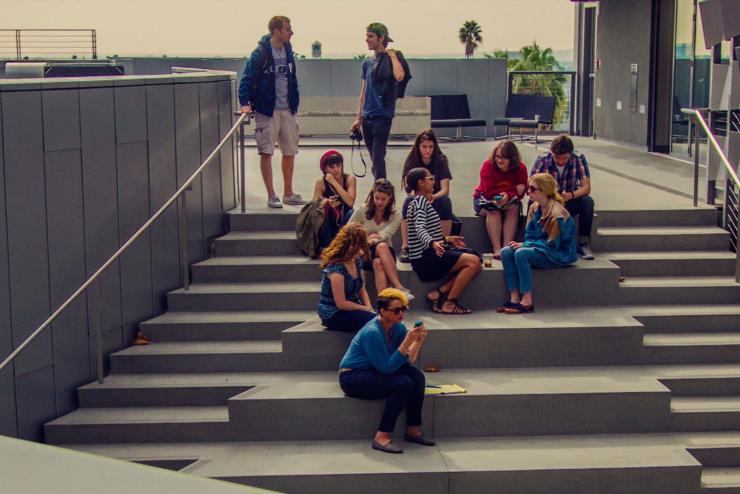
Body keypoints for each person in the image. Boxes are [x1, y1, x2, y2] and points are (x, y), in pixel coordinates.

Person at [338, 288, 434, 454]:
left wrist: (418, 341)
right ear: (383, 311)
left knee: (417, 376)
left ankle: (413, 429)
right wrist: (407, 342)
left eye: (403, 309)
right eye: (396, 310)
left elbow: (408, 360)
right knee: (402, 384)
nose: (401, 313)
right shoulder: (372, 332)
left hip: (376, 371)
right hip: (353, 377)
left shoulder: (397, 327)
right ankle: (381, 436)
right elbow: (386, 368)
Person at [238, 15, 307, 209]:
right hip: (267, 110)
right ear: (276, 31)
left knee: (290, 150)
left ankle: (288, 193)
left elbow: (291, 79)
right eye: (287, 29)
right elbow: (247, 78)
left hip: (288, 109)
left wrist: (294, 101)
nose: (291, 32)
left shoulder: (288, 50)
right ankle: (271, 194)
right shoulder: (261, 53)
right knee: (266, 152)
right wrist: (245, 102)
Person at [498, 173, 578, 314]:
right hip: (540, 248)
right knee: (506, 251)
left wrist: (526, 245)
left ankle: (527, 300)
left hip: (557, 254)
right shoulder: (535, 207)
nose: (529, 192)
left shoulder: (557, 215)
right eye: (529, 188)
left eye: (533, 189)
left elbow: (553, 244)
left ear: (545, 191)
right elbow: (529, 234)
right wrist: (526, 244)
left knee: (522, 253)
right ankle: (514, 298)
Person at [406, 167, 481, 315]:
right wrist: (433, 243)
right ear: (421, 183)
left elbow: (424, 230)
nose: (434, 182)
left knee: (476, 261)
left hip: (429, 254)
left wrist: (447, 239)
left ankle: (438, 293)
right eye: (430, 179)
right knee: (473, 262)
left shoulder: (419, 202)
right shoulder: (420, 201)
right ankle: (449, 302)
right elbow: (419, 228)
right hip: (425, 259)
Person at [350, 23, 410, 180]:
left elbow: (399, 76)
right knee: (374, 159)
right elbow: (363, 92)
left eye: (370, 36)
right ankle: (379, 188)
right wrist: (358, 117)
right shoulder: (367, 63)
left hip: (382, 116)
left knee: (378, 157)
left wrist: (392, 55)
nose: (367, 40)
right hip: (367, 117)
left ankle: (382, 190)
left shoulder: (391, 59)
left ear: (381, 38)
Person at [530, 134, 595, 259]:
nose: (560, 161)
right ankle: (535, 239)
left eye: (564, 158)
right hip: (547, 201)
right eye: (557, 158)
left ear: (570, 154)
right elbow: (532, 185)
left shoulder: (578, 159)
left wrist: (571, 195)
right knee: (532, 204)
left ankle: (583, 244)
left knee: (587, 202)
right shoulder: (542, 160)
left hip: (568, 200)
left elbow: (586, 187)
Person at [349, 179, 413, 300]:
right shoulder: (363, 209)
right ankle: (398, 287)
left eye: (383, 199)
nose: (379, 202)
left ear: (390, 198)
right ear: (372, 195)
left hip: (385, 254)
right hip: (363, 251)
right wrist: (363, 243)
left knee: (379, 260)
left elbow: (384, 234)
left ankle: (383, 303)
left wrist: (374, 238)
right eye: (377, 198)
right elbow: (348, 229)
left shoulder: (396, 215)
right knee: (381, 246)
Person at [400, 129, 454, 262]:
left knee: (445, 202)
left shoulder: (440, 160)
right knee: (408, 201)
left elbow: (445, 189)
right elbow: (409, 188)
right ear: (418, 146)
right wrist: (419, 199)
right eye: (424, 147)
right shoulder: (412, 160)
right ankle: (406, 247)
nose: (427, 150)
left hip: (434, 197)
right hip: (418, 198)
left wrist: (434, 197)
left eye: (431, 147)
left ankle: (443, 243)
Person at [473, 140, 528, 259]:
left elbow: (522, 192)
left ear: (512, 159)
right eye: (497, 156)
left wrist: (508, 195)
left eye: (504, 158)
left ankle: (506, 248)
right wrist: (512, 190)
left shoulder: (521, 168)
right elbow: (488, 193)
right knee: (494, 208)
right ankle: (496, 249)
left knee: (514, 207)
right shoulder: (488, 166)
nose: (499, 161)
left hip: (508, 201)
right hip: (485, 199)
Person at [317, 223, 376, 332]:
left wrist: (370, 308)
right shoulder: (336, 268)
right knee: (375, 323)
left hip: (351, 308)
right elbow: (341, 303)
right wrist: (364, 309)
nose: (358, 248)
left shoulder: (357, 261)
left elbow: (362, 289)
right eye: (354, 244)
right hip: (333, 312)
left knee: (379, 320)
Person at [313, 150, 357, 253]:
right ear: (325, 169)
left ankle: (345, 245)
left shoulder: (349, 179)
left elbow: (350, 202)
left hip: (344, 217)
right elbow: (314, 204)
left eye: (338, 165)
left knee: (353, 213)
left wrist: (334, 182)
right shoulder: (321, 183)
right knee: (321, 214)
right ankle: (326, 246)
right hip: (329, 220)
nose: (336, 169)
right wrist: (327, 201)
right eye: (332, 167)